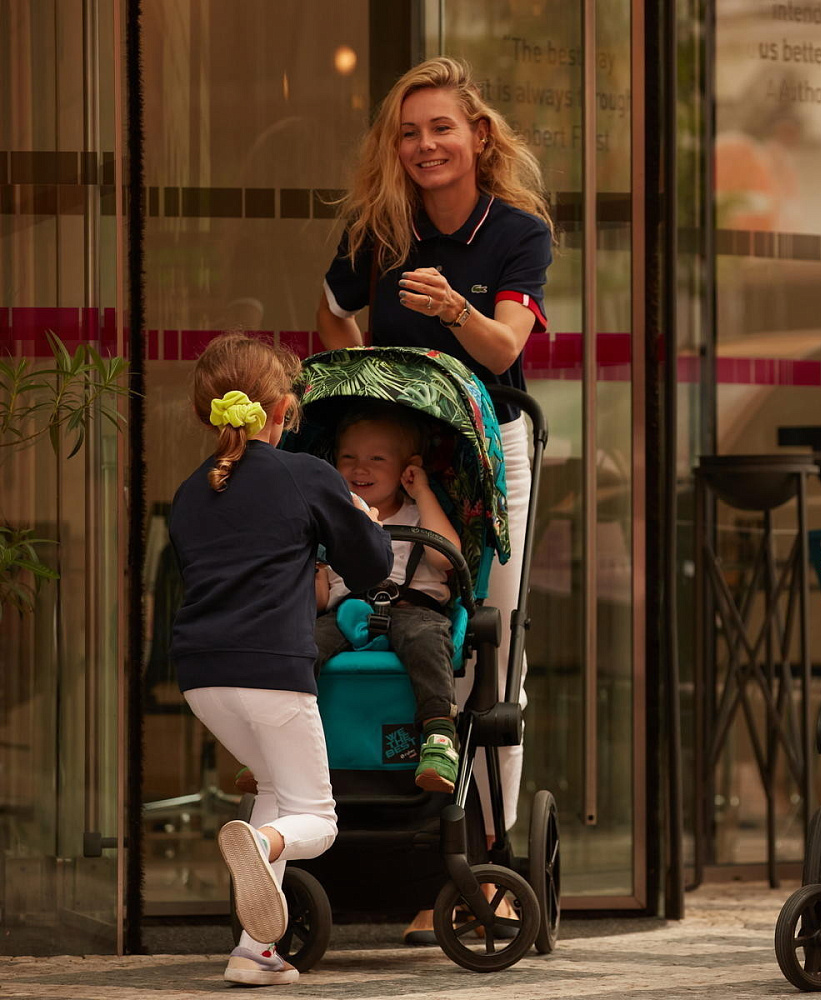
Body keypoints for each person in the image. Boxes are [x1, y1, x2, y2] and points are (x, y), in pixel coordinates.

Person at [315, 55, 553, 944]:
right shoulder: (378, 229)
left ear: (478, 136)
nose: (425, 146)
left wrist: (454, 310)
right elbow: (330, 312)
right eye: (409, 132)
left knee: (490, 648)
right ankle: (419, 861)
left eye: (442, 128)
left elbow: (504, 351)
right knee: (389, 629)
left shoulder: (518, 232)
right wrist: (365, 382)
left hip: (490, 453)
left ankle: (487, 863)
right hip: (401, 456)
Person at [168, 333, 392, 986]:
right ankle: (261, 843)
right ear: (284, 408)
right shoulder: (305, 475)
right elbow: (371, 568)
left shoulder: (189, 493)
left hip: (202, 677)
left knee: (273, 789)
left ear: (208, 410)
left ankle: (254, 951)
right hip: (272, 673)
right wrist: (362, 517)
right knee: (316, 819)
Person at [314, 403, 463, 793]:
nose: (359, 468)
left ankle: (439, 735)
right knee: (300, 646)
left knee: (426, 639)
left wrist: (423, 491)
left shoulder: (419, 513)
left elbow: (445, 559)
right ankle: (275, 743)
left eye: (376, 459)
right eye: (348, 457)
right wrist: (311, 560)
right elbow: (319, 600)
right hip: (345, 613)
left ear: (407, 468)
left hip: (413, 610)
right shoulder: (330, 522)